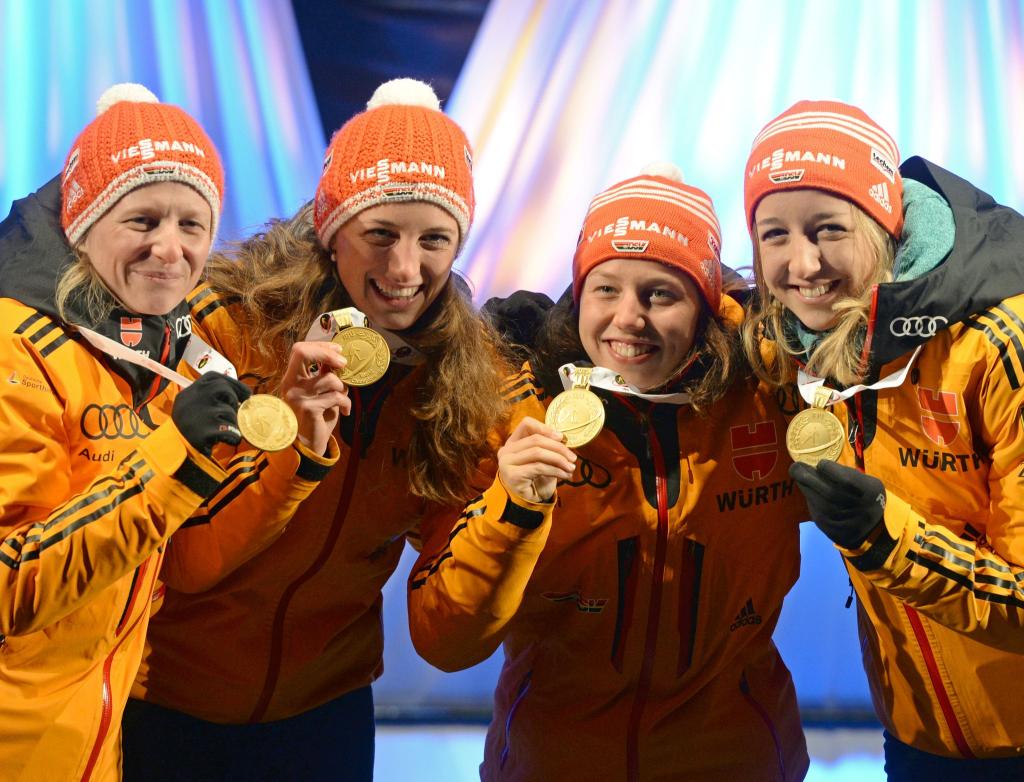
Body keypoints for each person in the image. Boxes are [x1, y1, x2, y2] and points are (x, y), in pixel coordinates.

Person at [119, 79, 512, 781]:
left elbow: (450, 629)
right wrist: (293, 451)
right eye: (380, 234)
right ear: (331, 233)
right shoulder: (225, 328)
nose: (403, 270)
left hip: (324, 715)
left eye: (434, 240)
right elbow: (181, 560)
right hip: (167, 700)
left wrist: (521, 510)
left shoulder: (460, 381)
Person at [409, 165, 810, 781]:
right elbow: (446, 641)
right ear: (579, 295)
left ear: (705, 306)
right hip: (554, 761)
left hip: (734, 757)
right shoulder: (518, 410)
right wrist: (511, 507)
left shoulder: (772, 396)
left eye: (660, 293)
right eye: (606, 290)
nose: (629, 318)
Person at [0, 85, 341, 781]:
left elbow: (184, 563)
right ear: (83, 221)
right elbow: (11, 588)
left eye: (193, 224)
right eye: (143, 220)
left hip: (89, 747)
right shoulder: (15, 350)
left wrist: (298, 454)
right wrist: (172, 460)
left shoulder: (151, 354)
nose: (170, 249)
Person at [740, 100, 1024, 777]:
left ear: (885, 223)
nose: (800, 265)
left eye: (827, 228)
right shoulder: (799, 340)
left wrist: (886, 540)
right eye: (773, 234)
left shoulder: (996, 349)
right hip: (918, 732)